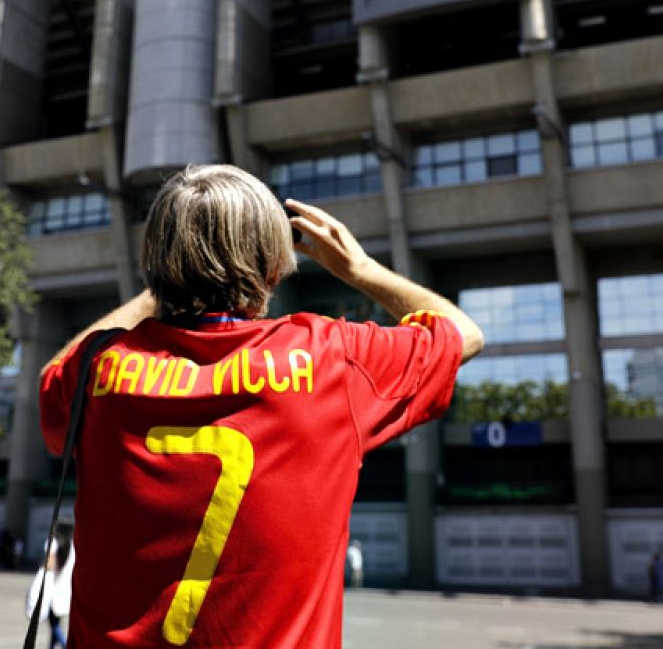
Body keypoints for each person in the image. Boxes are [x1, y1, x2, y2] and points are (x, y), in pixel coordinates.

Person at [38, 164, 484, 647]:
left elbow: (53, 380)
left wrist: (160, 288)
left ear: (157, 260)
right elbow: (463, 334)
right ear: (273, 267)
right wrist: (360, 269)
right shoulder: (328, 357)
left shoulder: (98, 367)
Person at [27, 523, 75, 649]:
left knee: (54, 623)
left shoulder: (54, 542)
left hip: (54, 587)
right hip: (66, 587)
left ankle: (65, 645)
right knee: (56, 621)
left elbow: (50, 564)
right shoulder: (72, 544)